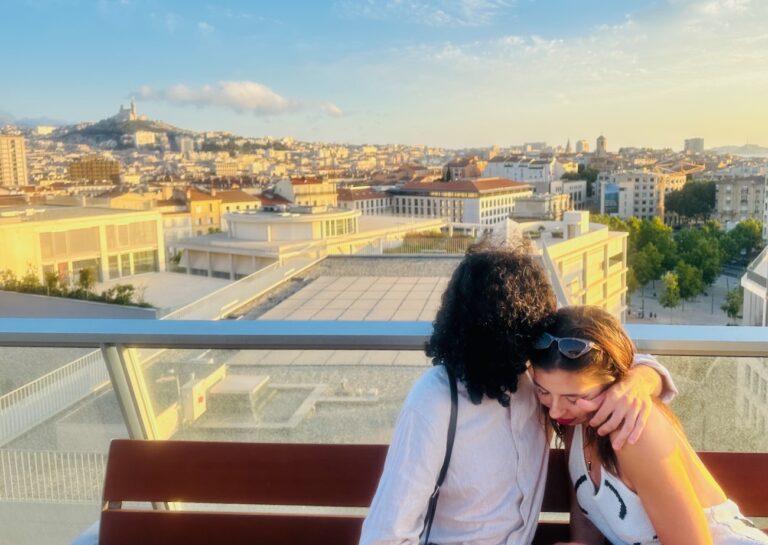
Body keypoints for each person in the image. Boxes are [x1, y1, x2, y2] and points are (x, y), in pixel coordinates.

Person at [360, 243, 676, 545]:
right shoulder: (435, 401)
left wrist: (638, 382)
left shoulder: (540, 382)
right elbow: (387, 535)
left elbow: (604, 355)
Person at [529, 305, 768, 545]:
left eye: (573, 398)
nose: (557, 410)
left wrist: (644, 377)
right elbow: (588, 512)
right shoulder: (578, 422)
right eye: (544, 392)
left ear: (617, 384)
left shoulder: (634, 435)